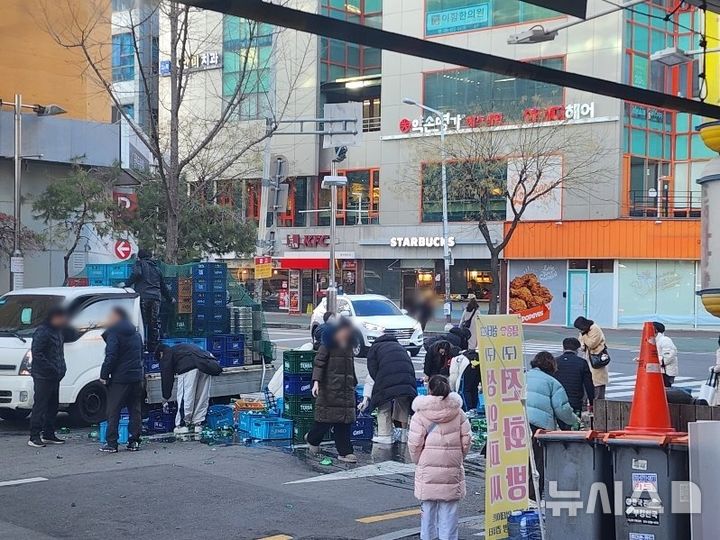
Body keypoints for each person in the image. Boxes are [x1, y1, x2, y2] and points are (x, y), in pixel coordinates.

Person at [408, 375, 471, 540]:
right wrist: (457, 458)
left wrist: (419, 460)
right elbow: (466, 441)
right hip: (452, 466)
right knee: (449, 510)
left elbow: (414, 444)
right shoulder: (459, 413)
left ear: (429, 390)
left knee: (428, 508)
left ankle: (427, 537)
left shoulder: (420, 414)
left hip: (427, 467)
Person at [527, 351, 580, 497]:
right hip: (538, 428)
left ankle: (516, 497)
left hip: (517, 424)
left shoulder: (522, 376)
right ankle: (533, 498)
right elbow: (562, 409)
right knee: (537, 464)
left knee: (519, 462)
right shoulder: (552, 383)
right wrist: (575, 421)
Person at [28, 306, 81, 448]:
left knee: (53, 405)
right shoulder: (43, 331)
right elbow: (37, 353)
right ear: (55, 317)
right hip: (43, 375)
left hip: (55, 375)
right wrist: (51, 368)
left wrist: (60, 370)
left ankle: (48, 433)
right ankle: (34, 436)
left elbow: (73, 334)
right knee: (40, 405)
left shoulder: (58, 331)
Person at [307, 318, 358, 462]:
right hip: (330, 388)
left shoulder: (348, 346)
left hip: (346, 389)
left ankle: (345, 452)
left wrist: (353, 382)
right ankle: (312, 439)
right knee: (324, 421)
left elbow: (351, 368)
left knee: (344, 422)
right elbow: (319, 363)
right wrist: (316, 382)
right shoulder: (327, 345)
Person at [98, 307, 144, 453]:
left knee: (113, 410)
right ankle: (134, 441)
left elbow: (111, 357)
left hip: (120, 379)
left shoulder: (114, 333)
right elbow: (141, 354)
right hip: (136, 378)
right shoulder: (136, 334)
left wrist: (104, 375)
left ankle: (112, 443)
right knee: (135, 410)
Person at [156, 341, 223, 434]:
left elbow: (167, 377)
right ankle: (198, 424)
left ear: (160, 353)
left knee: (186, 396)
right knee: (202, 396)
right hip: (205, 366)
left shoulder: (167, 353)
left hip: (189, 368)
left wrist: (165, 397)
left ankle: (182, 425)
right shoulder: (181, 348)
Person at [363, 333, 417, 445]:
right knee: (403, 404)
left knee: (383, 405)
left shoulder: (375, 348)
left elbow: (372, 371)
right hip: (406, 379)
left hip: (387, 378)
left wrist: (377, 385)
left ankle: (385, 435)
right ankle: (403, 435)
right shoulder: (400, 347)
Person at [125, 248, 174, 352]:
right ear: (150, 256)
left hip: (143, 296)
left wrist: (126, 284)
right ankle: (153, 347)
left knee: (141, 322)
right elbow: (163, 286)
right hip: (156, 298)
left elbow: (136, 274)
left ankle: (141, 345)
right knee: (153, 323)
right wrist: (169, 299)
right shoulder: (157, 269)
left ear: (139, 256)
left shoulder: (139, 264)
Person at [554, 337, 595, 427]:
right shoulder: (582, 362)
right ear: (577, 349)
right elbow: (589, 385)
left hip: (557, 401)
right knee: (574, 427)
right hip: (575, 402)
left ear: (563, 348)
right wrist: (592, 402)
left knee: (560, 428)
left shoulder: (555, 361)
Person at [574, 316, 609, 400]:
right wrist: (582, 342)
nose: (579, 331)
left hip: (597, 357)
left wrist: (584, 336)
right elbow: (581, 342)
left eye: (580, 329)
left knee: (598, 383)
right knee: (586, 381)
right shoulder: (584, 331)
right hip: (587, 357)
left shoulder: (595, 329)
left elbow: (591, 344)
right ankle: (586, 404)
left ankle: (598, 405)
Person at [653, 322, 678, 387]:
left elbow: (669, 356)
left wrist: (656, 361)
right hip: (659, 370)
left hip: (666, 372)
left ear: (656, 330)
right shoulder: (655, 340)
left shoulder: (665, 340)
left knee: (664, 389)